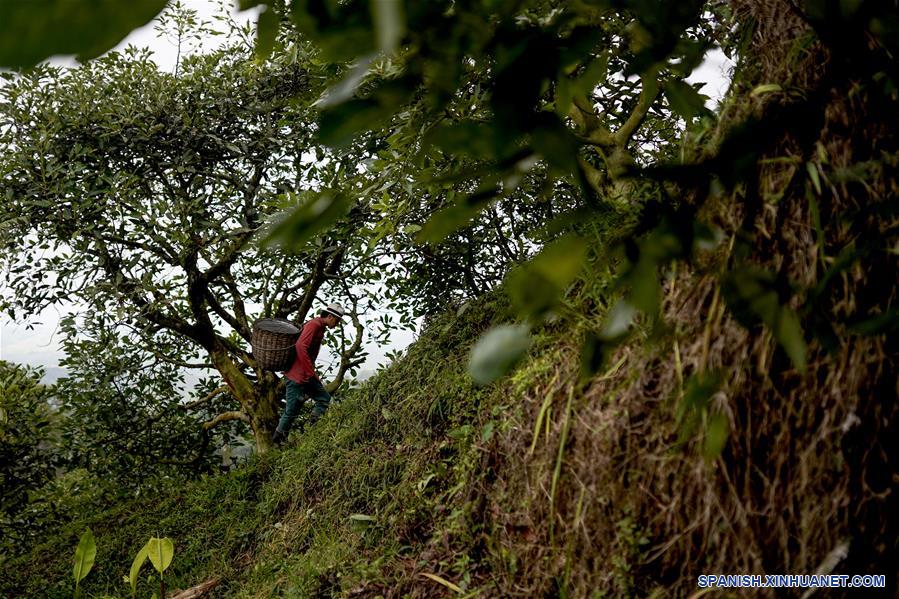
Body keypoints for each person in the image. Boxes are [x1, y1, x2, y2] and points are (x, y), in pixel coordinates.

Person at [272, 303, 345, 444]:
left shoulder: (320, 327)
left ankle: (311, 429)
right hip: (297, 376)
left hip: (305, 375)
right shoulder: (314, 325)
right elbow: (300, 346)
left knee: (323, 398)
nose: (337, 324)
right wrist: (310, 371)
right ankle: (277, 441)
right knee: (291, 411)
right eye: (337, 320)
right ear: (330, 316)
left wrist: (311, 371)